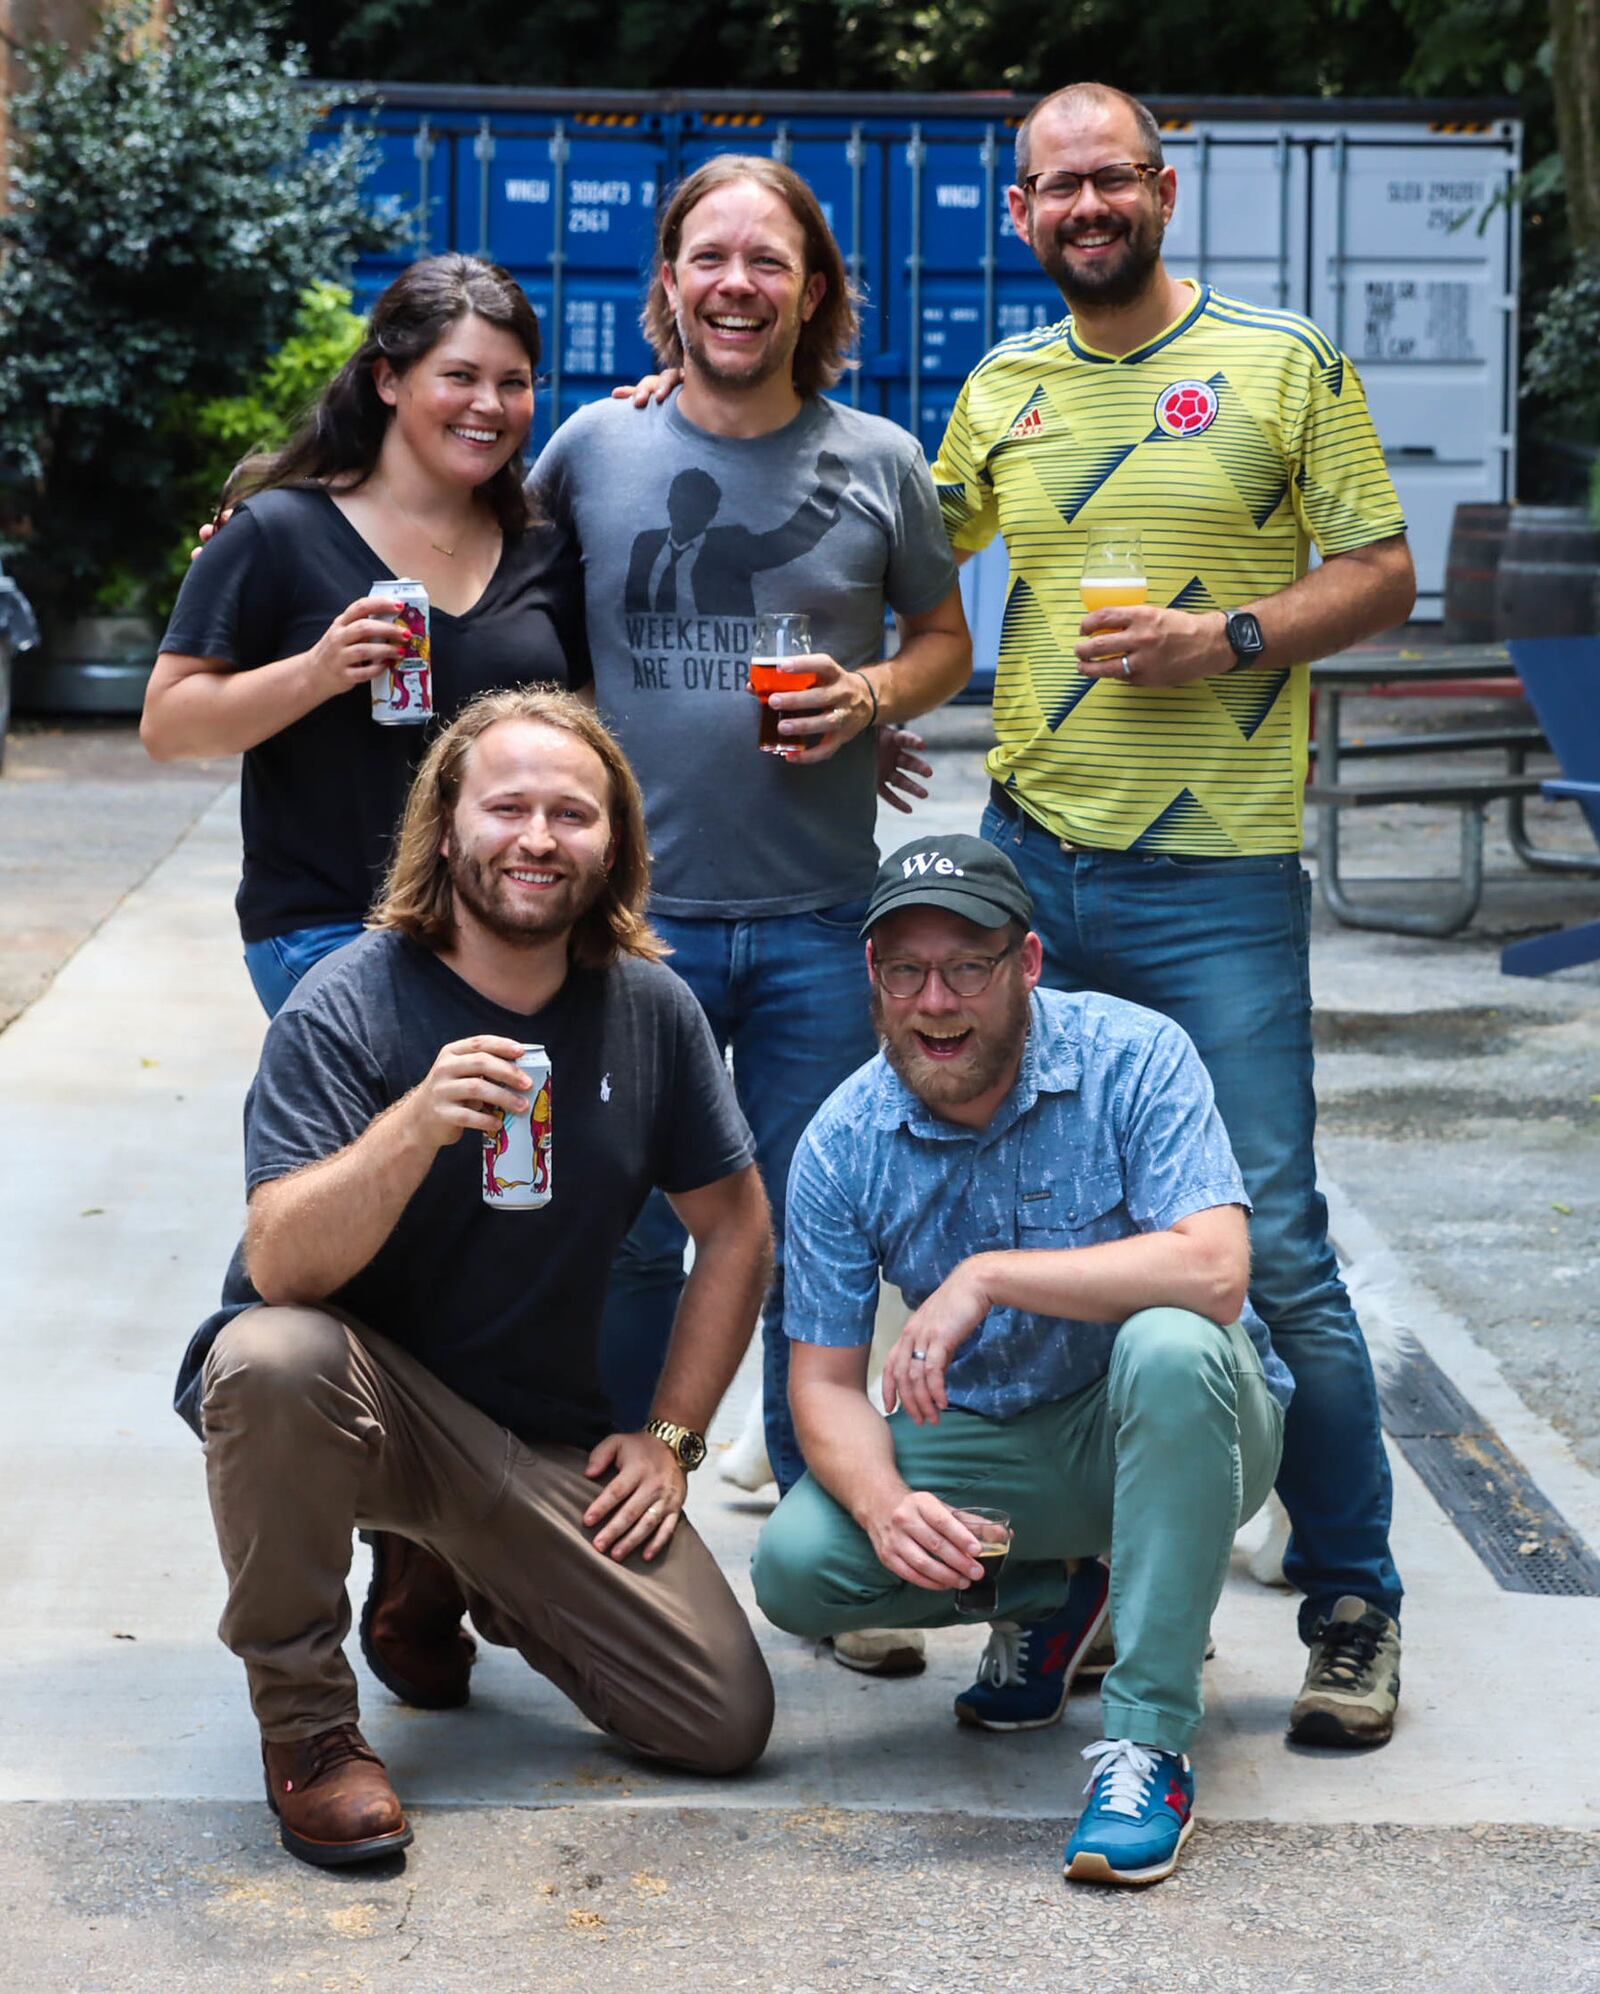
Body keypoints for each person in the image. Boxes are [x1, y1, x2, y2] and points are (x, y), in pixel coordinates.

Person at [931, 82, 1412, 1746]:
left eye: (1112, 178)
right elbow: (910, 542)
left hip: (1215, 876)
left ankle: (1352, 1593)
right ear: (1020, 213)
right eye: (1055, 185)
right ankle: (1065, 1579)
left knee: (1269, 1243)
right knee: (1060, 1230)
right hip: (1032, 857)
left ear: (1163, 189)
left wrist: (1237, 638)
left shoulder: (1283, 361)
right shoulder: (1003, 383)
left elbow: (1384, 567)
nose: (1085, 206)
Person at [175, 687, 775, 1868]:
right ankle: (307, 1727)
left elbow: (740, 1229)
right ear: (445, 827)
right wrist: (413, 1125)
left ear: (616, 844)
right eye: (507, 806)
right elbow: (281, 1262)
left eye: (574, 812)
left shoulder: (649, 1008)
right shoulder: (347, 999)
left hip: (525, 1437)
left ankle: (442, 1558)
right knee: (269, 1356)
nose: (540, 837)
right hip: (355, 1404)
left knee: (719, 1717)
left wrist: (673, 1437)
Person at [534, 157, 971, 1568]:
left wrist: (877, 701)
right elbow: (477, 580)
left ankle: (814, 1524)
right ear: (667, 283)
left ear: (816, 291)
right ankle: (590, 1517)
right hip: (625, 930)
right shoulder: (595, 448)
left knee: (804, 1237)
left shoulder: (880, 460)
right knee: (622, 1233)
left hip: (815, 921)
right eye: (708, 257)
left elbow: (942, 641)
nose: (737, 283)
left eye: (768, 260)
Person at [751, 834, 1288, 1886]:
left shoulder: (1136, 1054)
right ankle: (1047, 1592)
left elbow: (1217, 1271)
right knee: (800, 1563)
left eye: (969, 967)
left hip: (1181, 1426)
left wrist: (990, 1274)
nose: (935, 1001)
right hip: (999, 1438)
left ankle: (1148, 1739)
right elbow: (819, 1379)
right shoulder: (843, 1137)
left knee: (1171, 1342)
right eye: (904, 970)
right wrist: (880, 1504)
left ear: (1028, 963)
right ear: (873, 978)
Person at [142, 253, 589, 1018]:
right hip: (332, 928)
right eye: (459, 377)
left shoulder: (542, 548)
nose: (489, 404)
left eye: (513, 383)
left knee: (505, 1138)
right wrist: (317, 671)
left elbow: (583, 727)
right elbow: (169, 725)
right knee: (388, 1137)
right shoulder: (279, 532)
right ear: (388, 381)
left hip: (504, 932)